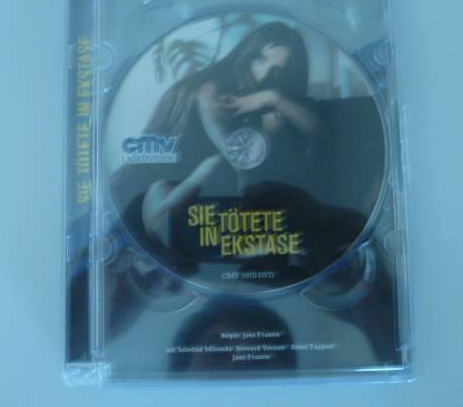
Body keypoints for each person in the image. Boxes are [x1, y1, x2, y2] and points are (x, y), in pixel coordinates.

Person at [109, 21, 366, 293]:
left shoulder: (273, 99)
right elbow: (240, 159)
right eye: (260, 59)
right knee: (215, 169)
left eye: (278, 70)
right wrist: (271, 126)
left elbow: (326, 138)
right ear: (247, 53)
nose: (265, 74)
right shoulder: (213, 90)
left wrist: (275, 98)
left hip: (223, 214)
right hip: (165, 204)